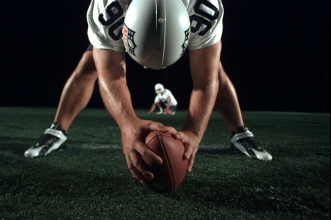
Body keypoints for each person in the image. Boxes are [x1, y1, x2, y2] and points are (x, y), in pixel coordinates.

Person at [24, 0, 272, 184]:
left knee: (213, 69)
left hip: (186, 20)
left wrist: (194, 133)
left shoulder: (204, 6)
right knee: (91, 64)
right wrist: (128, 124)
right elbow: (110, 73)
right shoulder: (108, 6)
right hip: (122, 20)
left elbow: (205, 82)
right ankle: (56, 129)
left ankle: (240, 132)